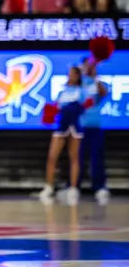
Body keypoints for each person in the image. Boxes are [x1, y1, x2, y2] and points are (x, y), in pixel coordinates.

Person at [39, 65, 90, 206]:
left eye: (72, 74)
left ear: (78, 76)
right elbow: (57, 107)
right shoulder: (62, 92)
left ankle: (73, 188)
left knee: (74, 156)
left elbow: (82, 107)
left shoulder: (81, 92)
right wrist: (50, 112)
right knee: (52, 156)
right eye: (69, 74)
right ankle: (49, 187)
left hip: (75, 125)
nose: (70, 76)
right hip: (61, 125)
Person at [80, 58, 110, 204]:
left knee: (97, 158)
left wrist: (95, 78)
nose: (90, 68)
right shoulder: (80, 84)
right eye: (87, 65)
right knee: (76, 159)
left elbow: (104, 93)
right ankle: (73, 186)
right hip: (79, 127)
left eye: (92, 65)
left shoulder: (98, 84)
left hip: (95, 126)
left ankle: (100, 187)